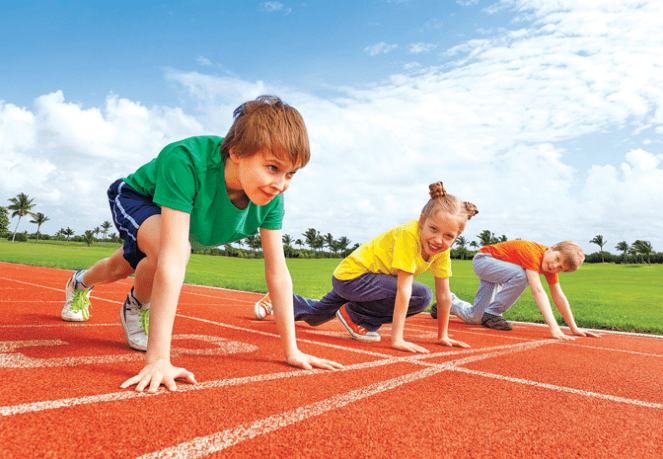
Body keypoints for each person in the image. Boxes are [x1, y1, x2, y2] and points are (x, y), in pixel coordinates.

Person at [60, 95, 343, 393]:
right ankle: (137, 306)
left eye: (291, 174)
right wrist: (159, 360)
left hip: (176, 226)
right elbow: (171, 256)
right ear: (236, 152)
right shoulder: (185, 161)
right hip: (138, 197)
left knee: (119, 267)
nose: (281, 184)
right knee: (171, 253)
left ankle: (79, 283)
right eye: (272, 167)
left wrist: (292, 351)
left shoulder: (271, 198)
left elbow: (278, 273)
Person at [254, 182, 478, 353]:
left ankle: (278, 299)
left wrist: (443, 335)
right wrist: (396, 339)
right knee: (422, 295)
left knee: (315, 317)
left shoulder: (441, 250)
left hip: (370, 284)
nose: (439, 240)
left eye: (449, 236)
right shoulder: (410, 236)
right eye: (433, 229)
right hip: (354, 277)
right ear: (421, 221)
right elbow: (404, 290)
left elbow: (445, 295)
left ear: (457, 236)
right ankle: (357, 317)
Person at [434, 239, 600, 340]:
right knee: (522, 276)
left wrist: (574, 328)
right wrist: (554, 327)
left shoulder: (549, 266)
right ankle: (493, 313)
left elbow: (558, 296)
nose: (555, 266)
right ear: (551, 248)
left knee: (475, 318)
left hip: (498, 269)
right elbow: (538, 291)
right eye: (557, 259)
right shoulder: (533, 253)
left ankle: (446, 302)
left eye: (561, 268)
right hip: (485, 260)